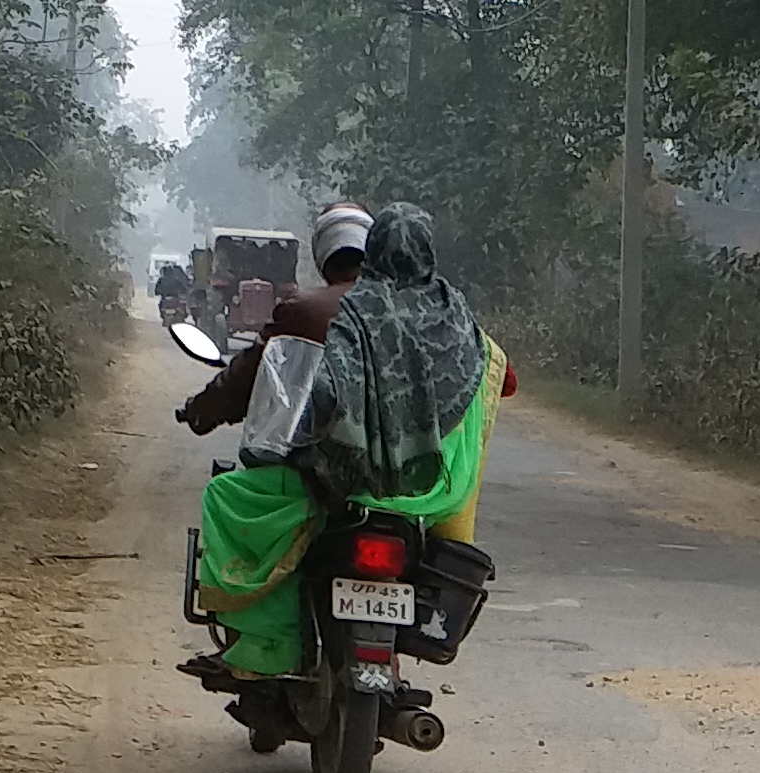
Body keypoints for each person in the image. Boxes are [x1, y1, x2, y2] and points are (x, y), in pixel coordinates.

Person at [190, 203, 513, 681]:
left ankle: (265, 645)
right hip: (439, 490)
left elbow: (323, 396)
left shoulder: (358, 310)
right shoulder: (456, 315)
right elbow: (500, 375)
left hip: (349, 479)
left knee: (234, 497)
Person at [172, 204, 369, 440]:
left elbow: (250, 373)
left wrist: (203, 409)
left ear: (322, 252)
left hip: (328, 456)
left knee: (221, 480)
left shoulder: (302, 309)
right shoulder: (416, 311)